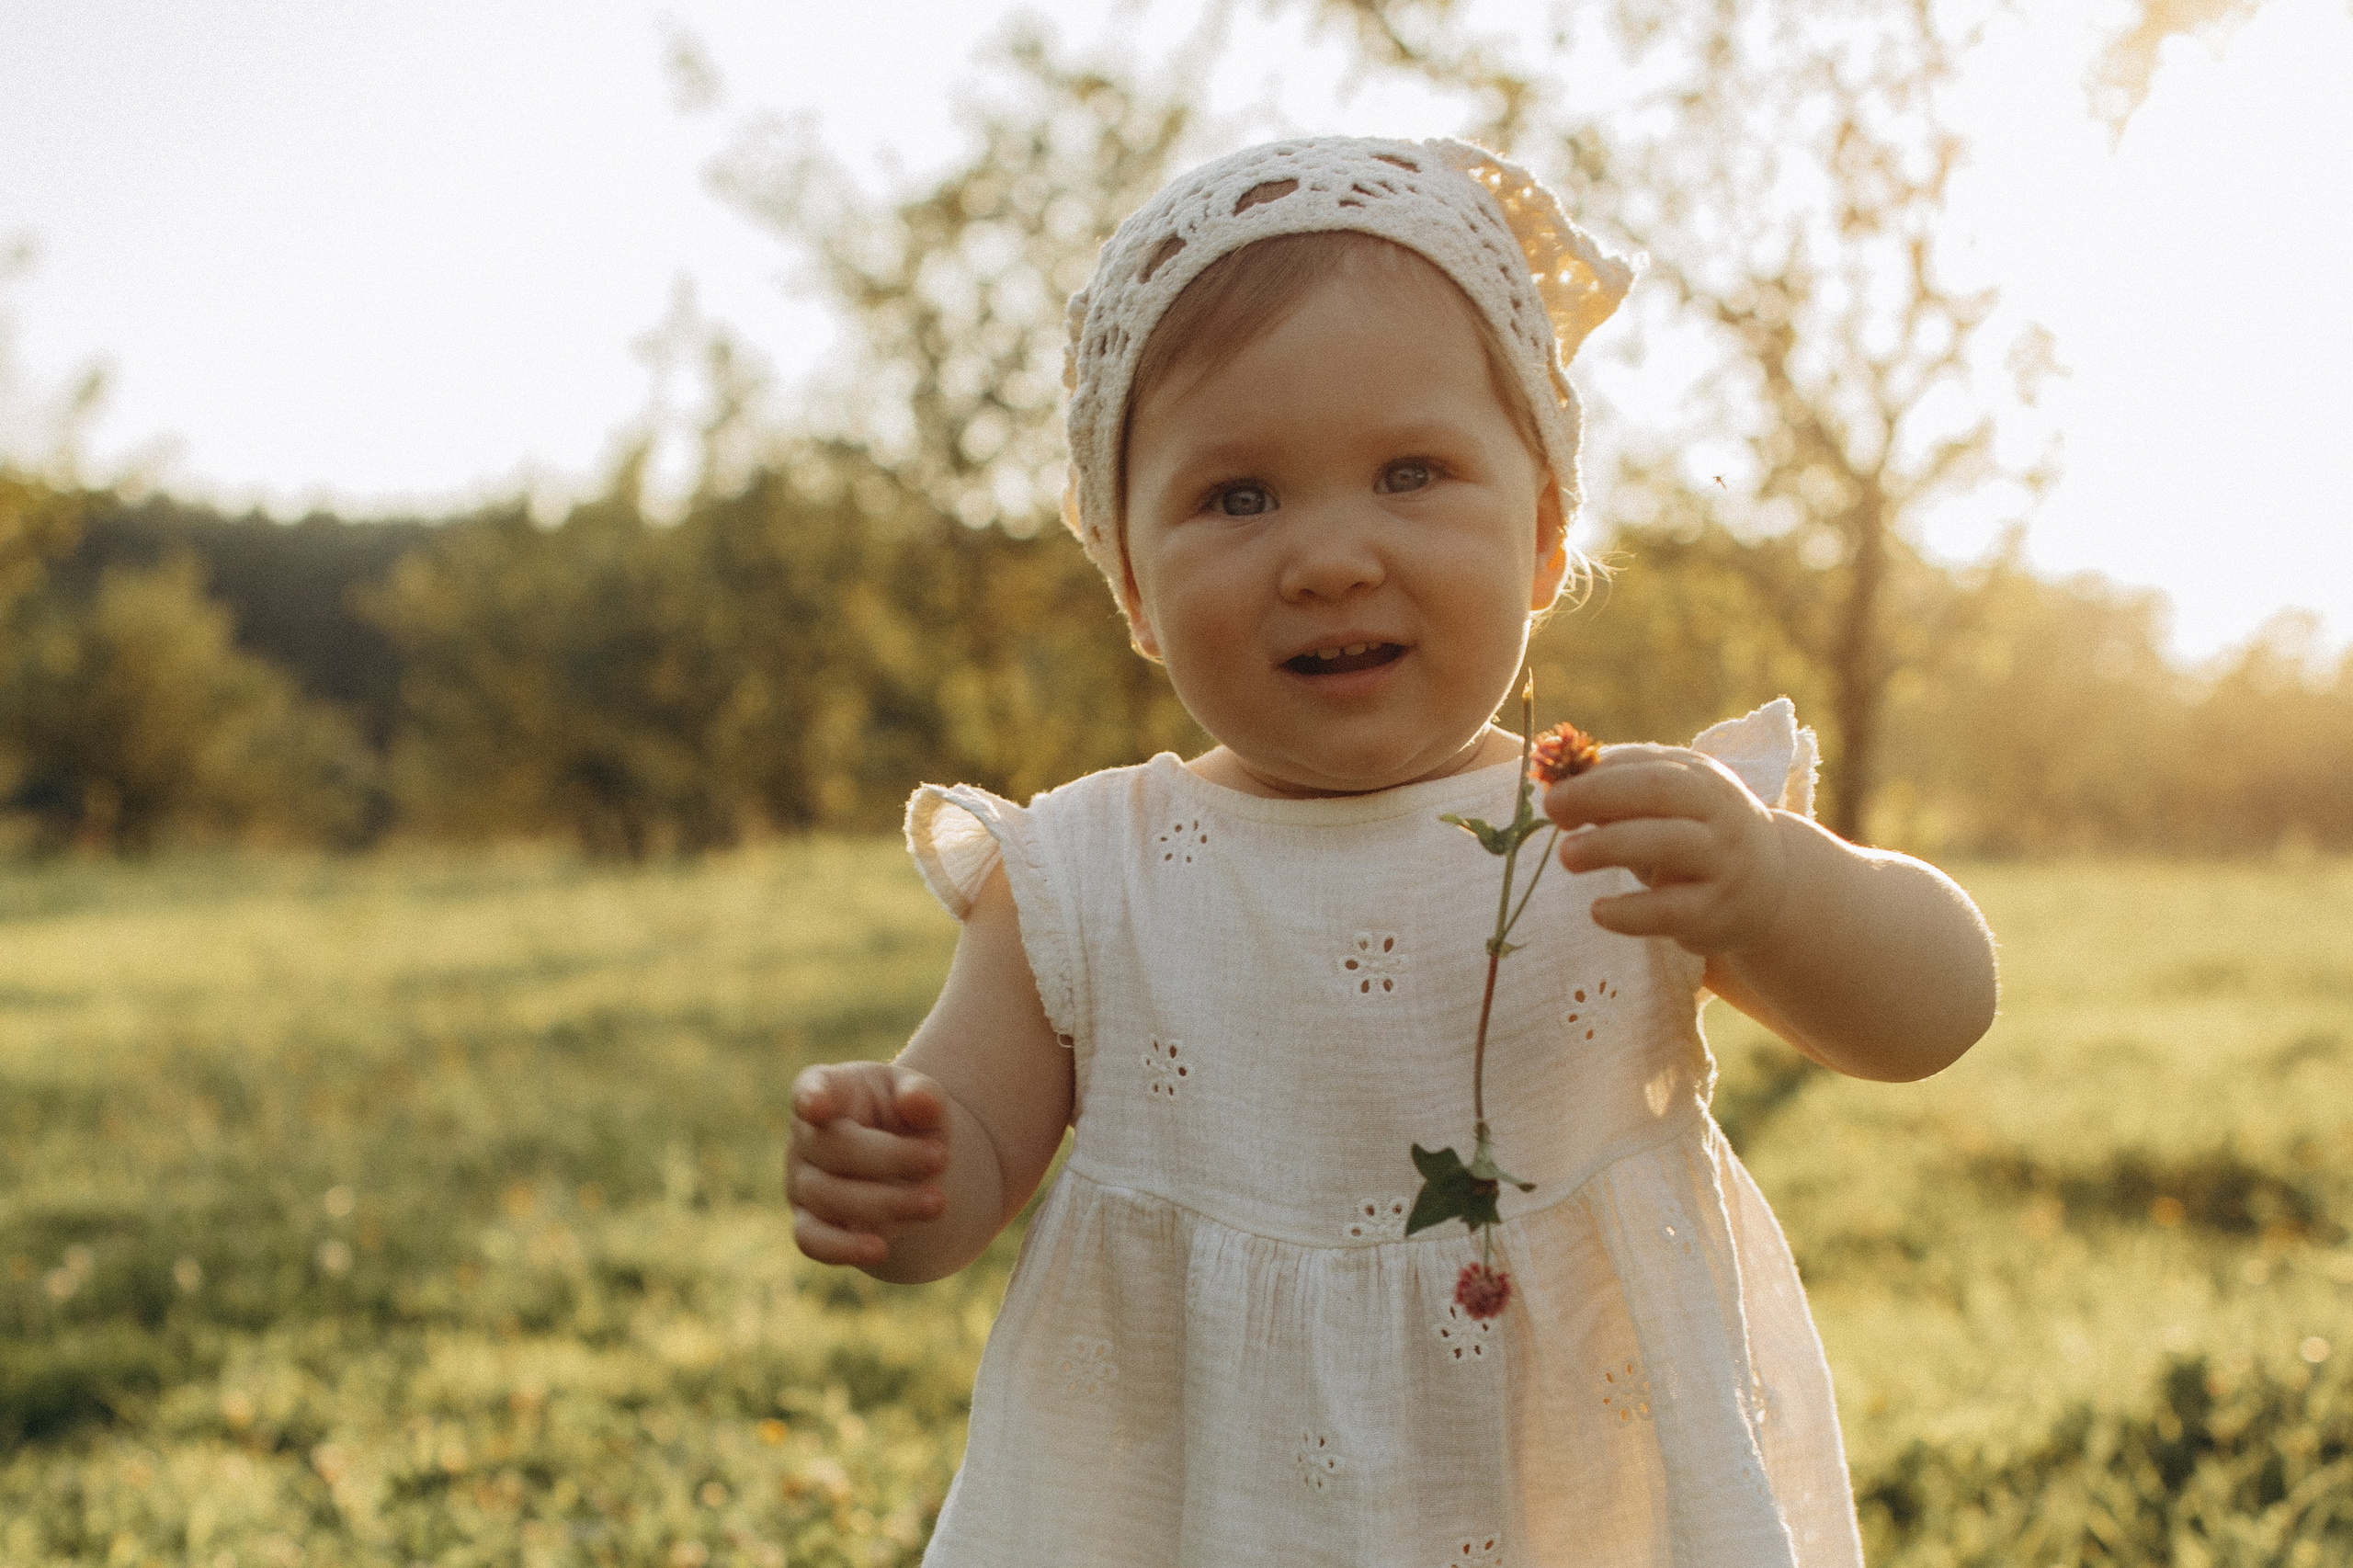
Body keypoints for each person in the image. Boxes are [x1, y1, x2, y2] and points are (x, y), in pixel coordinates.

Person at [785, 136, 1997, 1566]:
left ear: (1545, 536)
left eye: (1410, 472)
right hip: (1201, 1507)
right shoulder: (1087, 869)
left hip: (1565, 1500)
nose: (1329, 556)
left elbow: (1939, 1007)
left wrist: (1785, 886)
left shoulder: (1617, 828)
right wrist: (905, 1169)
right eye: (1237, 497)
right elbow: (972, 1157)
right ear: (1133, 585)